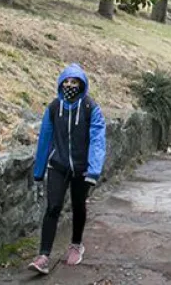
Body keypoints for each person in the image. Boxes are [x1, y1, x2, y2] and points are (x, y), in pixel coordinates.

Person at [29, 64, 107, 274]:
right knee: (53, 207)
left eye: (75, 82)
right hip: (58, 166)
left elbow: (97, 141)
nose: (70, 85)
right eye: (67, 81)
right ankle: (44, 255)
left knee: (78, 206)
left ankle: (76, 244)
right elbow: (45, 139)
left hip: (82, 169)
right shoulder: (54, 108)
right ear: (61, 83)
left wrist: (93, 170)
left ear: (82, 85)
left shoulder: (91, 108)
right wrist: (38, 171)